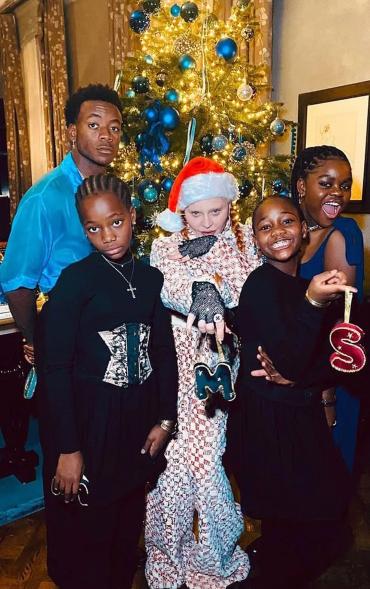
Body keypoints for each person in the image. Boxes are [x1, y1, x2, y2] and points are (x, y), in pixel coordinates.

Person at [36, 174, 178, 589]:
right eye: (93, 228)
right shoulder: (76, 281)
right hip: (90, 427)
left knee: (124, 529)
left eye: (115, 222)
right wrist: (68, 448)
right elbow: (55, 369)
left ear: (132, 216)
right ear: (84, 230)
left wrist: (166, 419)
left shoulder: (151, 279)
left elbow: (163, 355)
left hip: (136, 427)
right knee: (89, 539)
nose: (107, 236)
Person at [145, 157, 260, 589]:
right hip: (172, 368)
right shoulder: (165, 246)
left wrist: (217, 287)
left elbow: (248, 285)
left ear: (230, 204)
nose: (208, 221)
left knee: (208, 462)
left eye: (217, 210)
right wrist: (198, 290)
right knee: (173, 466)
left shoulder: (242, 241)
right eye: (197, 213)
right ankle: (165, 558)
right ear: (181, 212)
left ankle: (215, 559)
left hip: (215, 371)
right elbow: (167, 285)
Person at [231, 195, 354, 588]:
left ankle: (274, 561)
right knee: (291, 520)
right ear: (255, 240)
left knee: (323, 516)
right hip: (270, 425)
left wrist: (303, 377)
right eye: (265, 227)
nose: (277, 232)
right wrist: (313, 304)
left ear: (303, 231)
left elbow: (328, 360)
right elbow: (289, 359)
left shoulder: (303, 286)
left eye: (286, 222)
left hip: (300, 416)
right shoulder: (259, 285)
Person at [0, 83, 123, 364]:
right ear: (72, 132)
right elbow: (16, 283)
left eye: (114, 128)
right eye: (94, 125)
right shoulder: (45, 197)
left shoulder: (114, 192)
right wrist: (38, 340)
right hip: (68, 343)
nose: (106, 136)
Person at [291, 145, 364, 471]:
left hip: (327, 380)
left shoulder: (343, 233)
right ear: (302, 186)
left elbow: (338, 325)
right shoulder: (289, 231)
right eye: (327, 183)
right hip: (293, 375)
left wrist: (327, 396)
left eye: (344, 185)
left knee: (326, 478)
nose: (338, 193)